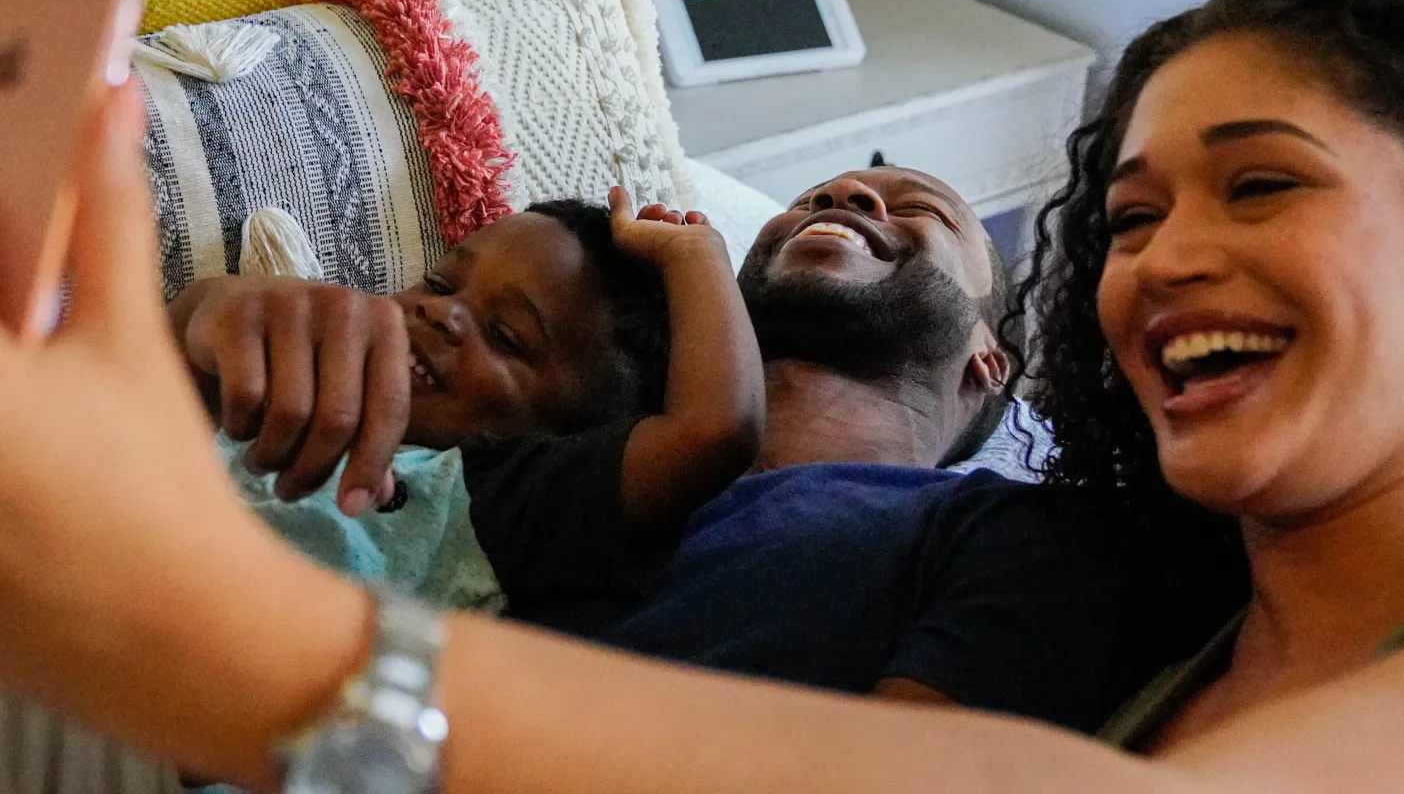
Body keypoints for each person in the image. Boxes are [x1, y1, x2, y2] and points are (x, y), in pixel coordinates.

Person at [4, 0, 1404, 794]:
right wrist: (215, 340)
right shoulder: (1171, 635)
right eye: (1127, 217)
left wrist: (251, 649)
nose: (1166, 256)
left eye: (1262, 184)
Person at [170, 163, 1154, 729]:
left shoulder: (1008, 535)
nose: (853, 195)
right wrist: (206, 315)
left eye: (918, 211)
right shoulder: (555, 448)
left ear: (990, 358)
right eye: (820, 194)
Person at [166, 193, 764, 611]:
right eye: (442, 282)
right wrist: (213, 309)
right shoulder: (316, 365)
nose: (440, 312)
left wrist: (695, 252)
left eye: (506, 337)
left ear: (575, 440)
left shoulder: (499, 496)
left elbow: (716, 430)